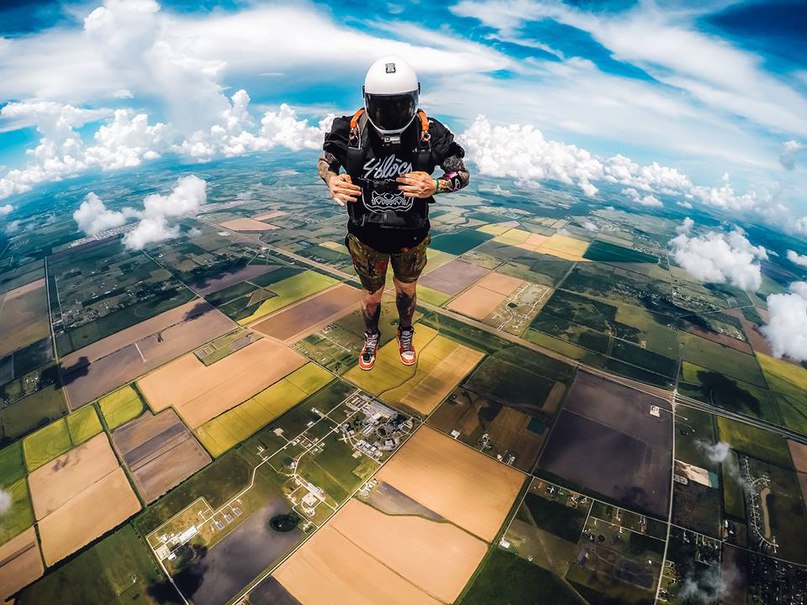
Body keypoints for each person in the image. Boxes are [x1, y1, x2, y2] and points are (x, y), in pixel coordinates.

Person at [318, 56, 470, 371]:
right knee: (372, 295)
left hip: (409, 235)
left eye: (400, 106)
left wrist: (436, 185)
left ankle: (405, 332)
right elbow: (326, 162)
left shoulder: (431, 133)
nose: (391, 115)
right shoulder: (350, 131)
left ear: (414, 98)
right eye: (383, 107)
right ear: (367, 100)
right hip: (367, 235)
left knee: (406, 290)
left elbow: (461, 174)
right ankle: (371, 336)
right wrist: (332, 180)